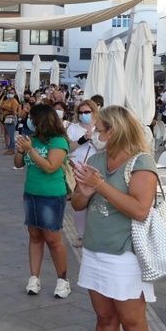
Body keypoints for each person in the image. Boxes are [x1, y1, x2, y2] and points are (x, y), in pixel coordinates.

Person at [71, 105, 158, 331]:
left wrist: (100, 186)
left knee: (132, 323)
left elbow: (140, 210)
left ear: (114, 130)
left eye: (100, 129)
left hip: (126, 254)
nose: (96, 133)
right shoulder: (97, 160)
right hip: (95, 250)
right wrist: (85, 192)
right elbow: (77, 204)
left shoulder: (141, 163)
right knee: (105, 319)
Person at [14, 103, 71, 298]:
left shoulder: (59, 141)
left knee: (53, 239)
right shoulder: (33, 139)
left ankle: (62, 280)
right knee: (35, 236)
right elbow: (18, 164)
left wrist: (30, 150)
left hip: (51, 195)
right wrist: (21, 150)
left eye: (32, 118)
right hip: (31, 192)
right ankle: (34, 278)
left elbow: (50, 167)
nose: (29, 121)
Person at [67, 100, 104, 248]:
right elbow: (68, 147)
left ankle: (95, 233)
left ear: (94, 112)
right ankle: (81, 234)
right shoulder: (73, 128)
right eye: (81, 112)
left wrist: (93, 138)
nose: (84, 115)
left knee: (97, 202)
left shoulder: (100, 127)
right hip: (78, 169)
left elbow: (104, 147)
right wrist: (83, 140)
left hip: (97, 169)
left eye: (87, 112)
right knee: (79, 202)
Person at [0, 88, 21, 155]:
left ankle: (12, 149)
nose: (10, 94)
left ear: (14, 94)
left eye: (12, 93)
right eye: (9, 92)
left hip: (11, 118)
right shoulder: (6, 100)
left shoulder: (14, 101)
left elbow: (14, 111)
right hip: (5, 118)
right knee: (8, 133)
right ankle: (9, 148)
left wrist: (5, 108)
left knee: (11, 135)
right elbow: (1, 106)